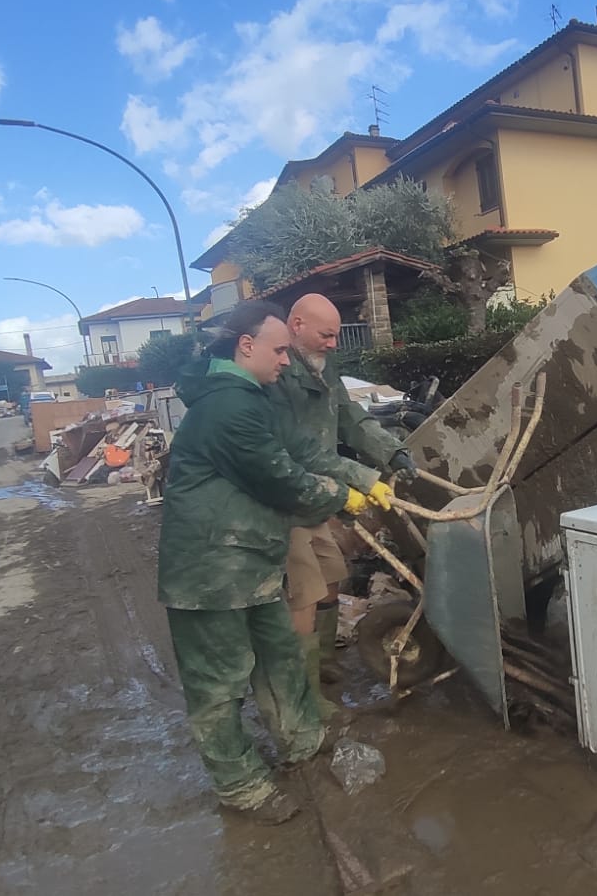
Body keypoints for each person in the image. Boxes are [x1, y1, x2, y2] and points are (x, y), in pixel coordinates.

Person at [156, 300, 394, 824]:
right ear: (247, 347)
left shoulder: (253, 398)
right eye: (279, 349)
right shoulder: (226, 408)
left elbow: (304, 450)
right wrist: (341, 499)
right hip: (209, 572)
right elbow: (283, 477)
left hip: (253, 560)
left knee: (281, 656)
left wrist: (364, 478)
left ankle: (300, 740)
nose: (286, 361)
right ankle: (239, 784)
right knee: (219, 683)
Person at [269, 293, 419, 714]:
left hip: (319, 496)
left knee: (333, 578)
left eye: (336, 335)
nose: (334, 343)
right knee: (304, 594)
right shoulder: (279, 375)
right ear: (296, 325)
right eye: (326, 335)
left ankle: (325, 661)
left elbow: (351, 419)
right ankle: (304, 692)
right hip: (290, 497)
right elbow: (301, 450)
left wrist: (392, 451)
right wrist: (362, 479)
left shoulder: (322, 369)